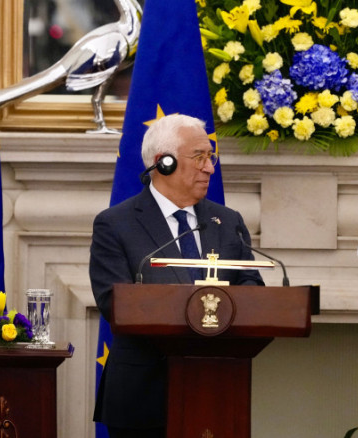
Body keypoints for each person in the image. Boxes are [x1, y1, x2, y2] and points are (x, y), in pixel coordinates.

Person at [89, 114, 265, 438]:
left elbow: (251, 284)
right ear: (164, 162)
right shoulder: (115, 224)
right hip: (143, 398)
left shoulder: (227, 221)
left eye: (210, 157)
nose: (209, 168)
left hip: (217, 390)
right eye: (199, 157)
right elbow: (114, 303)